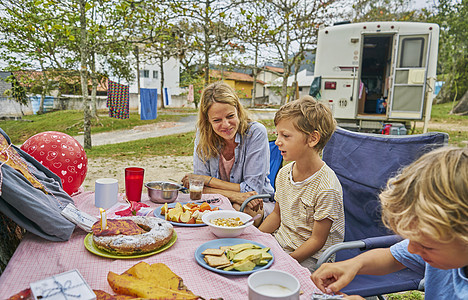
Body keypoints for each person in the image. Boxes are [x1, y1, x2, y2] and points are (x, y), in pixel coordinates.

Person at [311, 147, 468, 300]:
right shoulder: (443, 244)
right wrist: (354, 265)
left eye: (426, 246)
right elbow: (393, 257)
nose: (412, 248)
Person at [258, 96, 344, 271]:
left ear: (312, 139)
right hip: (281, 244)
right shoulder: (284, 173)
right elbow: (276, 215)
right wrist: (255, 238)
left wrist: (285, 262)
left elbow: (316, 241)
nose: (277, 142)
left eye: (285, 136)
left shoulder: (327, 187)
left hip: (312, 259)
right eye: (277, 134)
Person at [181, 81, 274, 226]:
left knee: (240, 212)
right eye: (217, 120)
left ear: (238, 110)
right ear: (207, 121)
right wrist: (234, 195)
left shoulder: (255, 133)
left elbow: (251, 190)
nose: (225, 125)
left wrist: (206, 180)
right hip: (218, 201)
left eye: (230, 116)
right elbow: (198, 189)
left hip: (257, 203)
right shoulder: (203, 135)